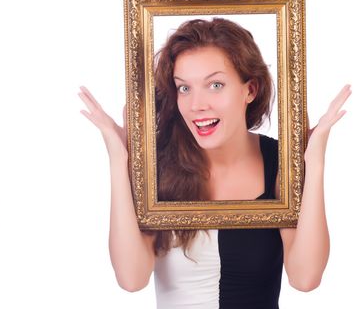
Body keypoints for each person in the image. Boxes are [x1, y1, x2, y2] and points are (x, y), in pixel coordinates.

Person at [79, 18, 351, 308]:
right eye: (184, 88)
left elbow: (305, 277)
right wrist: (119, 160)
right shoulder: (158, 166)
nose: (197, 104)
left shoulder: (279, 162)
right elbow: (131, 278)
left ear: (250, 90)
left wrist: (315, 161)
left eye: (215, 85)